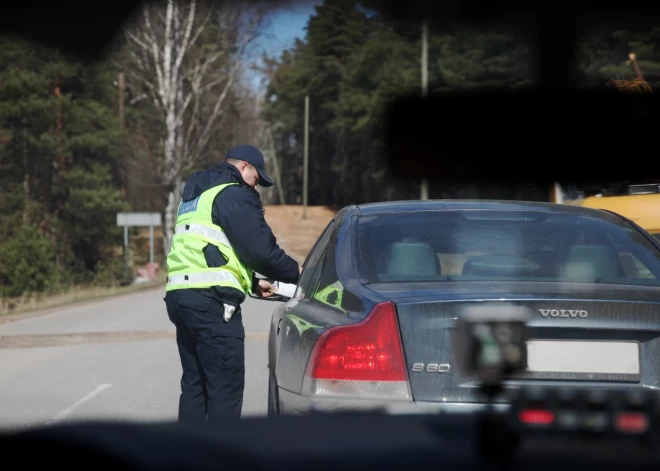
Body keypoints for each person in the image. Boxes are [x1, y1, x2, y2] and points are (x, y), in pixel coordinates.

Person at [164, 144, 302, 424]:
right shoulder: (232, 192)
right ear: (243, 168)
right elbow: (260, 251)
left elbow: (211, 250)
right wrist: (299, 273)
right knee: (224, 391)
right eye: (256, 179)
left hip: (182, 299)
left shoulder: (196, 194)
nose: (256, 188)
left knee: (195, 387)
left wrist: (252, 282)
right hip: (212, 304)